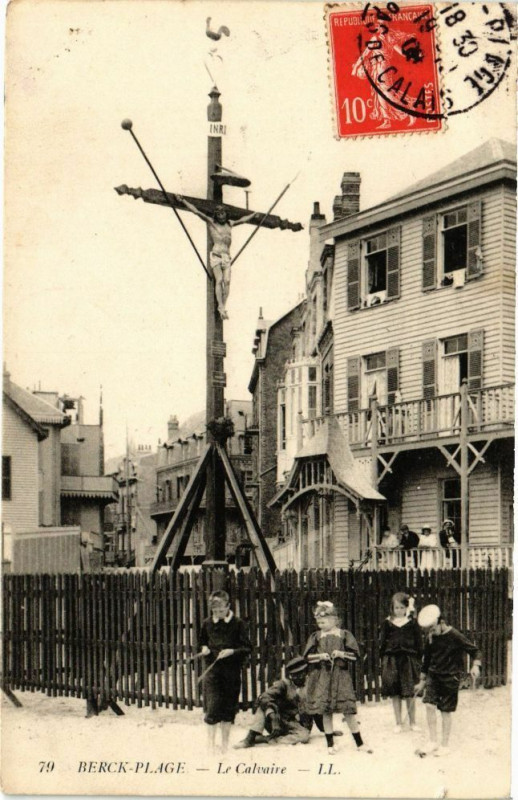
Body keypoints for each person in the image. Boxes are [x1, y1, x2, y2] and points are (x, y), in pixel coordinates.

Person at [303, 601, 372, 755]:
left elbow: (355, 656)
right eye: (319, 622)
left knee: (348, 711)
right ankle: (330, 744)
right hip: (324, 677)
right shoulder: (316, 636)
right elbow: (307, 657)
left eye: (324, 621)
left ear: (334, 620)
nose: (321, 625)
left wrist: (341, 654)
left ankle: (360, 743)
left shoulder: (344, 635)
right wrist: (320, 656)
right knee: (326, 712)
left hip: (341, 677)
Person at [415, 605, 481, 757]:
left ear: (441, 622)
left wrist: (476, 665)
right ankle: (432, 741)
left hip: (450, 677)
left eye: (433, 629)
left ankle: (445, 745)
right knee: (429, 706)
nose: (431, 633)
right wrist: (422, 680)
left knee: (445, 711)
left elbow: (475, 651)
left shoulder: (454, 635)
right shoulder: (431, 636)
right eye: (428, 631)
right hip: (433, 676)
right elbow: (427, 659)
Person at [176, 195, 256, 319]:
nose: (221, 216)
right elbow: (196, 211)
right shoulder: (212, 223)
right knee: (219, 280)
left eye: (223, 214)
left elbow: (243, 220)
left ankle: (223, 306)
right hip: (216, 256)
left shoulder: (230, 224)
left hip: (226, 257)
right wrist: (183, 201)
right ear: (216, 215)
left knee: (227, 281)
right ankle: (220, 306)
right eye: (219, 214)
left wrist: (254, 215)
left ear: (226, 214)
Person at [199, 590, 251, 753]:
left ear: (228, 606)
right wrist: (204, 649)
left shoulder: (238, 623)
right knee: (212, 707)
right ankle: (210, 744)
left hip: (231, 672)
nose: (218, 614)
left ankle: (224, 745)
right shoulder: (207, 623)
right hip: (213, 672)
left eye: (221, 610)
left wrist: (232, 651)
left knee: (228, 709)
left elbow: (247, 648)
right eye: (215, 611)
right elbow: (202, 642)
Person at [234, 656, 311, 748]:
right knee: (263, 706)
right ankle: (250, 738)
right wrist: (273, 716)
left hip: (295, 724)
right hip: (277, 721)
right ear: (290, 675)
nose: (298, 677)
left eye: (300, 674)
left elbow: (318, 707)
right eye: (294, 675)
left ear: (305, 672)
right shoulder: (283, 684)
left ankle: (268, 739)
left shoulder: (311, 686)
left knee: (304, 736)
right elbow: (264, 697)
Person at [380, 592, 422, 733]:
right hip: (392, 660)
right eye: (396, 608)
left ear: (407, 608)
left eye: (402, 608)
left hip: (408, 661)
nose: (399, 611)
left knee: (409, 692)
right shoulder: (387, 623)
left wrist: (418, 659)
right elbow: (382, 643)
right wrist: (384, 659)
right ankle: (398, 723)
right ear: (392, 608)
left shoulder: (412, 623)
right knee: (395, 693)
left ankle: (413, 722)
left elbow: (419, 643)